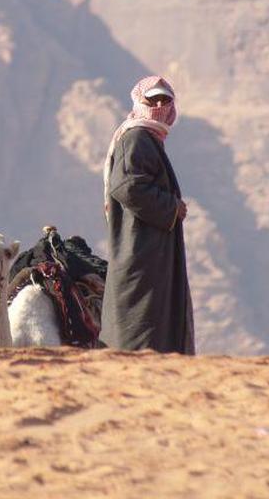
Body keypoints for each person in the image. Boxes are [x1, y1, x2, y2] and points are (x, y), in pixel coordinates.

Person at [99, 75, 195, 354]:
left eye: (166, 100)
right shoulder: (137, 137)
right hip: (140, 248)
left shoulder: (149, 138)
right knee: (142, 312)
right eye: (153, 100)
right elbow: (126, 186)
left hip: (152, 248)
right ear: (140, 102)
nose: (160, 106)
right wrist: (171, 207)